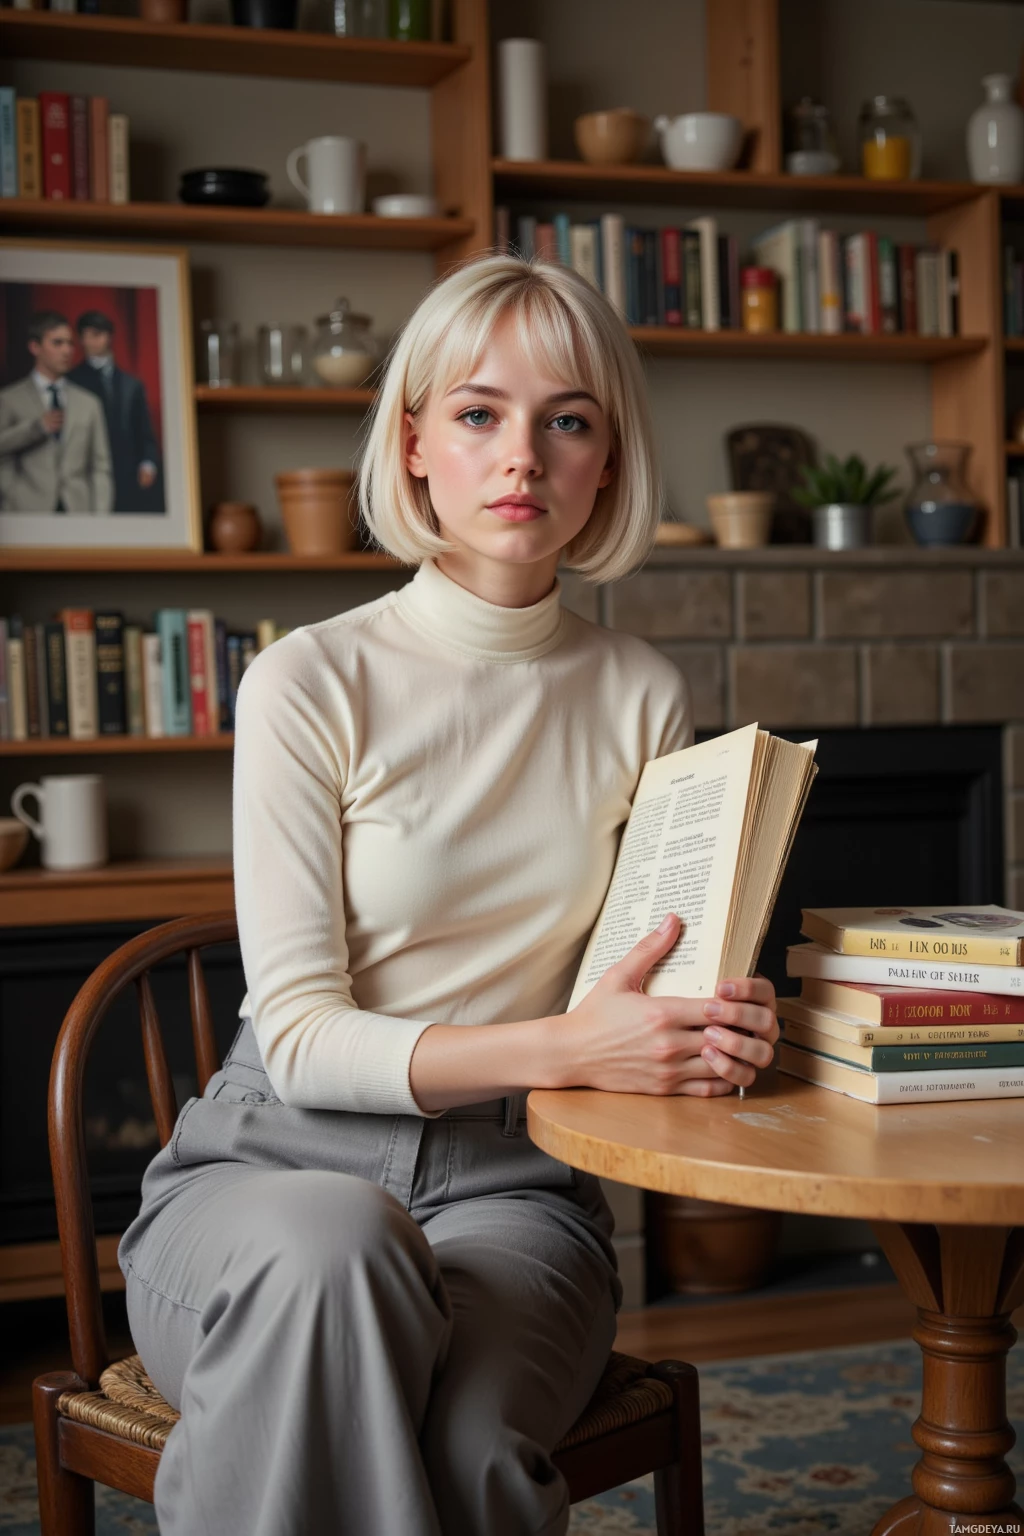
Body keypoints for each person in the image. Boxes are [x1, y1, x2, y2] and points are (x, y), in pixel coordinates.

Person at [116, 254, 779, 1536]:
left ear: (606, 462)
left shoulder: (644, 697)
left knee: (472, 1445)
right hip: (266, 1182)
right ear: (414, 443)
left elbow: (637, 987)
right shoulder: (308, 682)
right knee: (334, 1248)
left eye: (566, 419)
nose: (520, 453)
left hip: (511, 1198)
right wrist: (574, 1045)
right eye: (478, 413)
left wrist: (699, 1031)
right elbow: (302, 1039)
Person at [0, 309, 114, 514]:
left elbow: (100, 467)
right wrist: (35, 429)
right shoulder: (9, 399)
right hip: (26, 512)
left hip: (78, 512)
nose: (67, 350)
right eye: (57, 343)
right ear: (35, 347)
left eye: (70, 343)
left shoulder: (89, 403)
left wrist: (100, 517)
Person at [68, 308, 164, 514]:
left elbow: (143, 428)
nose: (93, 341)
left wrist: (148, 462)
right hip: (85, 470)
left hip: (126, 468)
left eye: (98, 334)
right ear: (80, 339)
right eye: (87, 335)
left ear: (109, 337)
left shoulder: (131, 384)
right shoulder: (71, 381)